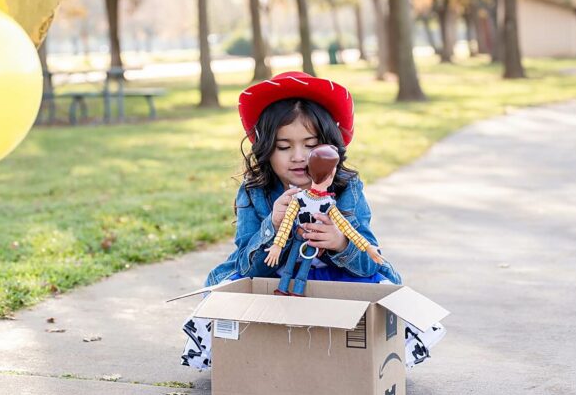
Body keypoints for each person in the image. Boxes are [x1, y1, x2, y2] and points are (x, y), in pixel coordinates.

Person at [180, 71, 444, 371]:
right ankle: (250, 358)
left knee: (385, 292)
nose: (298, 156)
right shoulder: (255, 192)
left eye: (310, 145)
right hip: (276, 286)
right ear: (266, 149)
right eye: (284, 146)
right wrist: (272, 227)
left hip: (336, 287)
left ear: (330, 148)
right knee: (224, 291)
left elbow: (371, 261)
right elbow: (245, 266)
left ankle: (357, 363)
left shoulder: (346, 188)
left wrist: (341, 242)